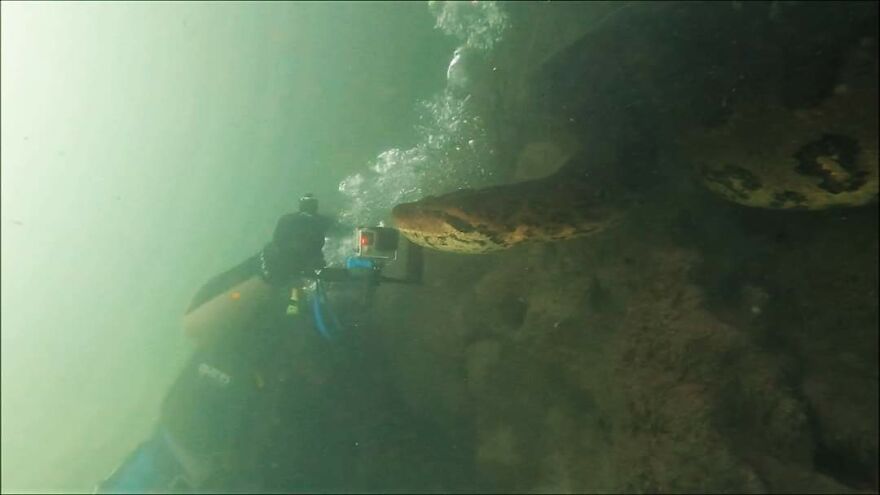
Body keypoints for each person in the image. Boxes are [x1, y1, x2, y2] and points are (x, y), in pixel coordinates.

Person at [96, 193, 356, 493]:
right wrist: (272, 265)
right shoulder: (259, 302)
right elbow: (197, 325)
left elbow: (198, 324)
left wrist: (276, 267)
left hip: (231, 468)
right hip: (184, 460)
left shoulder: (329, 328)